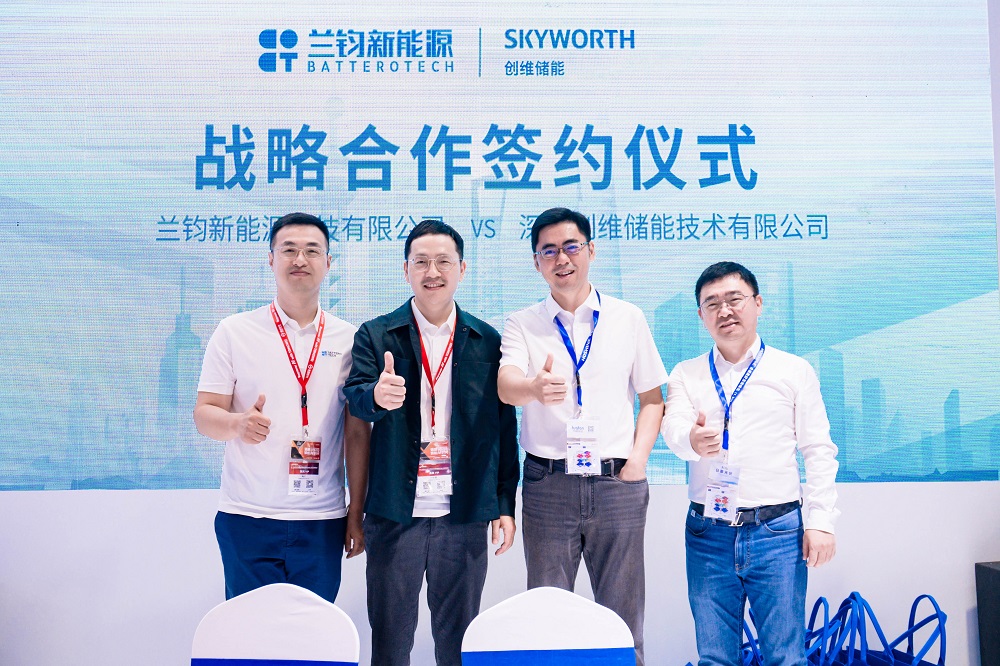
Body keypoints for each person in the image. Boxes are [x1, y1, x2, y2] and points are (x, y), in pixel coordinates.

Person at [344, 220, 518, 666]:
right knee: (390, 643)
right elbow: (356, 399)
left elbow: (503, 429)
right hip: (394, 514)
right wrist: (376, 396)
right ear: (405, 270)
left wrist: (504, 504)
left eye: (443, 261)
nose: (432, 271)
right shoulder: (376, 334)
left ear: (462, 268)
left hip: (462, 516)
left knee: (458, 645)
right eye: (421, 262)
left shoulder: (487, 340)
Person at [497, 207, 666, 665]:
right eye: (548, 251)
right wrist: (534, 388)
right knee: (548, 619)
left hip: (617, 483)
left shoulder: (627, 318)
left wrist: (637, 462)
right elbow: (506, 386)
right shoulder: (522, 323)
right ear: (536, 262)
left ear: (591, 250)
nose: (562, 259)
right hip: (549, 484)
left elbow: (653, 399)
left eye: (571, 247)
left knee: (624, 618)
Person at [661, 261, 839, 666]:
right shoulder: (686, 374)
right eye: (712, 304)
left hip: (777, 531)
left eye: (734, 299)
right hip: (708, 533)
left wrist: (821, 521)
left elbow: (818, 449)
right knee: (714, 658)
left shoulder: (793, 370)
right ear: (701, 315)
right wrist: (691, 440)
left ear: (758, 303)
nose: (724, 311)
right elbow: (673, 429)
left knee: (786, 658)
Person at [193, 212, 369, 603]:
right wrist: (237, 424)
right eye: (289, 250)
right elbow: (205, 413)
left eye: (312, 251)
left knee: (312, 632)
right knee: (252, 632)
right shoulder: (234, 331)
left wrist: (355, 511)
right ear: (270, 260)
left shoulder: (350, 339)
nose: (300, 259)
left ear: (328, 263)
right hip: (248, 515)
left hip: (321, 518)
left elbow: (357, 433)